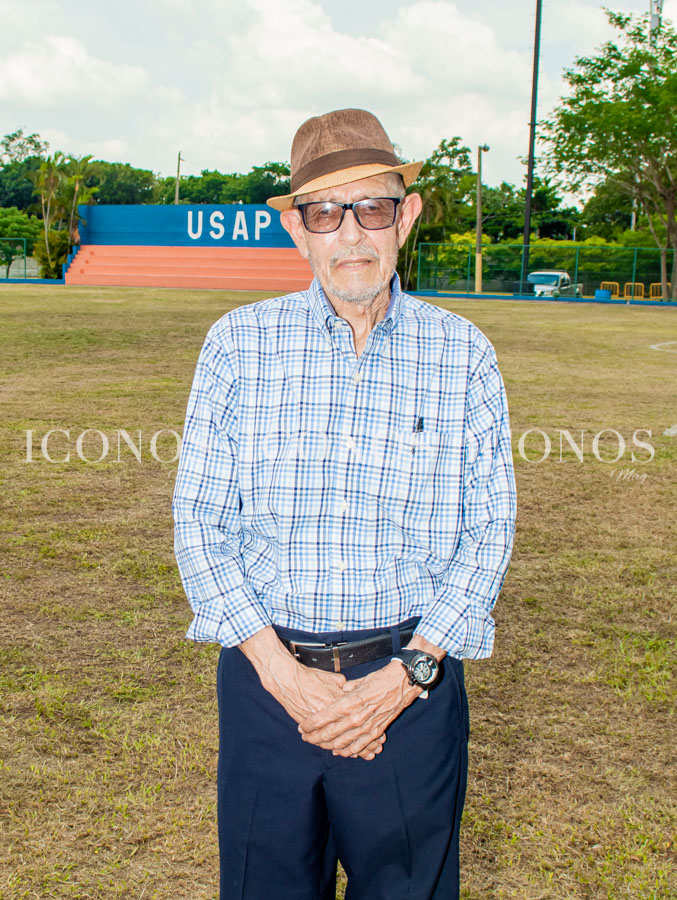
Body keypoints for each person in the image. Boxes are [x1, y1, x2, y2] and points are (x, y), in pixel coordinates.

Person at [173, 107, 516, 900]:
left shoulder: (463, 352)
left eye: (372, 208)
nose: (351, 235)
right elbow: (198, 522)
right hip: (266, 686)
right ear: (297, 229)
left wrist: (406, 676)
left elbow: (488, 525)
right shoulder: (236, 344)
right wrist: (285, 678)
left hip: (410, 691)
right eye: (325, 213)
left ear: (408, 216)